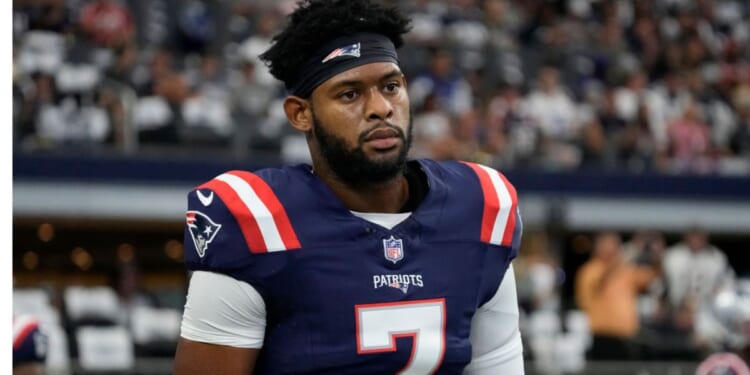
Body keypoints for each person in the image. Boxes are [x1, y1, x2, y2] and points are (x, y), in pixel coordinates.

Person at [172, 0, 525, 373]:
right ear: (300, 113)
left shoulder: (479, 207)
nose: (380, 108)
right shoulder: (256, 222)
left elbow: (497, 365)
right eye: (349, 94)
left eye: (390, 86)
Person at [575, 231, 658, 360]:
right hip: (602, 337)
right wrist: (623, 257)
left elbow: (651, 278)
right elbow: (600, 281)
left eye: (616, 244)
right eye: (610, 243)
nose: (615, 248)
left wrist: (654, 254)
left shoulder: (626, 270)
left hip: (627, 338)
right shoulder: (590, 270)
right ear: (599, 246)